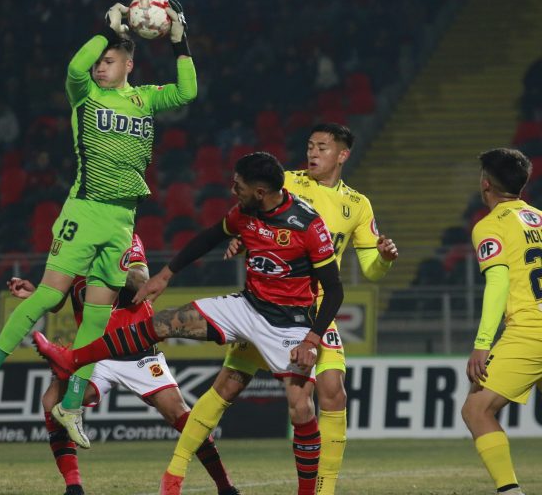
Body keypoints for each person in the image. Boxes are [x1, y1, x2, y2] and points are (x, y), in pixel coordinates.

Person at [35, 152, 345, 495]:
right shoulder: (245, 212)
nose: (232, 190)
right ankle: (72, 359)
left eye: (238, 185)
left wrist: (312, 340)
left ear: (260, 191)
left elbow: (334, 290)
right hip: (247, 305)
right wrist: (166, 275)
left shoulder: (307, 225)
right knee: (165, 323)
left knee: (301, 408)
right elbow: (209, 237)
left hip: (290, 325)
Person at [0, 0, 197, 451]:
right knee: (49, 296)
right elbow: (74, 69)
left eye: (109, 61)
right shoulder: (86, 95)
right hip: (85, 210)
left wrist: (180, 42)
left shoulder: (145, 98)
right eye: (99, 62)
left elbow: (187, 92)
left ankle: (72, 405)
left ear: (129, 64)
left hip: (122, 219)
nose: (98, 67)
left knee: (97, 317)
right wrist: (107, 33)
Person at [165, 123, 399, 495]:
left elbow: (370, 269)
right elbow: (253, 215)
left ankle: (324, 490)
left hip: (313, 308)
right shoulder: (286, 182)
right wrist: (245, 240)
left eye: (322, 147)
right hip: (266, 302)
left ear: (342, 155)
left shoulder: (357, 204)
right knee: (227, 385)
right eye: (309, 145)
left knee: (332, 390)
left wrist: (384, 258)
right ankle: (173, 475)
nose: (313, 153)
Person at [9, 234, 239, 495]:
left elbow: (141, 279)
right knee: (52, 401)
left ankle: (225, 486)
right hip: (94, 353)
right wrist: (36, 293)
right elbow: (60, 298)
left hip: (136, 347)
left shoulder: (124, 237)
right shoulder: (73, 244)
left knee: (180, 416)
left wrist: (103, 259)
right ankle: (73, 487)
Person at [461, 148, 541, 495]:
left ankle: (510, 492)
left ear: (485, 185)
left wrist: (482, 344)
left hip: (529, 330)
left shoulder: (490, 226)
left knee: (477, 409)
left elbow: (498, 282)